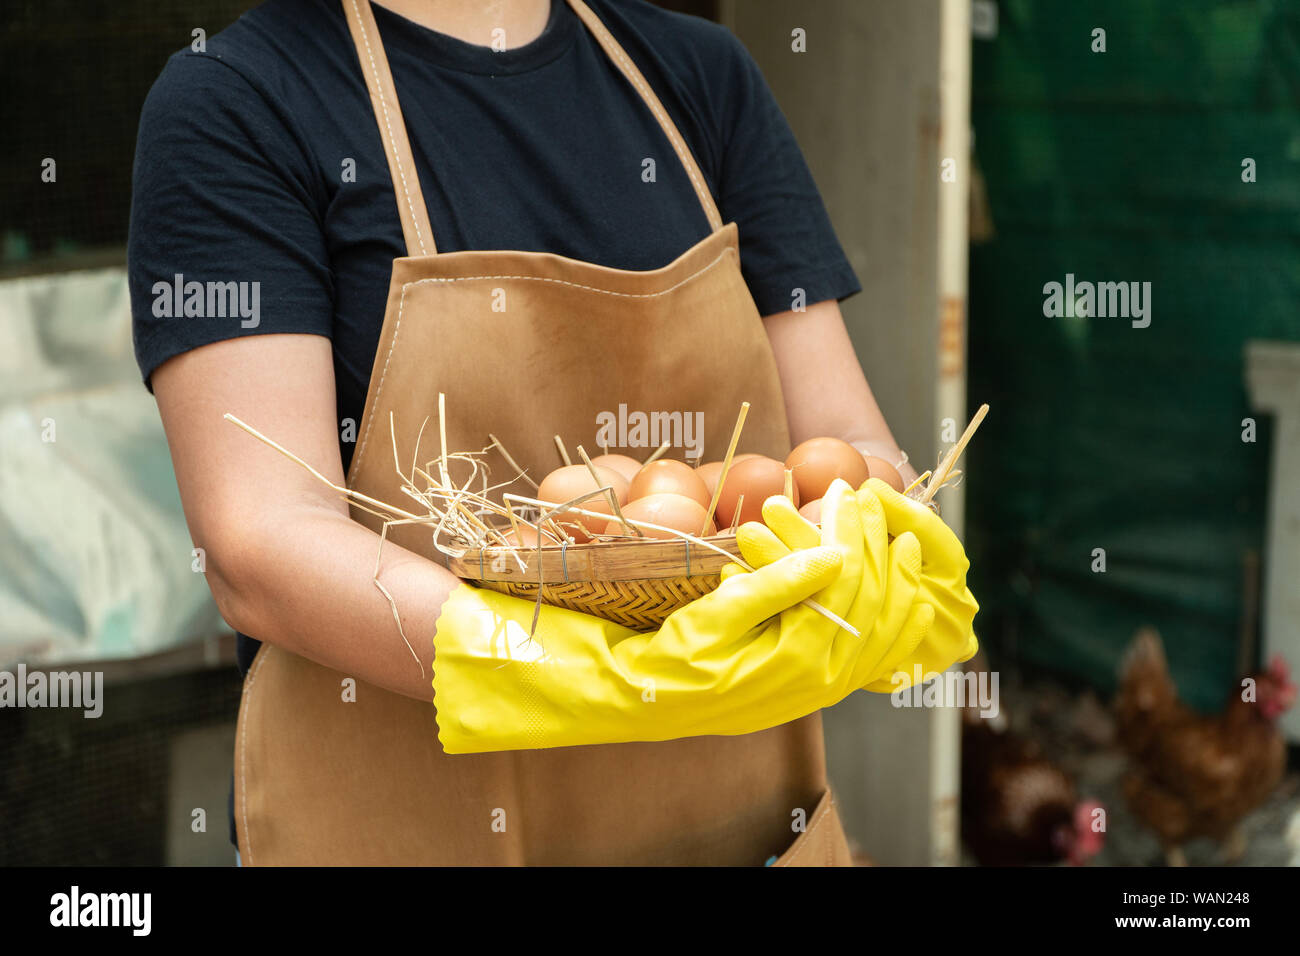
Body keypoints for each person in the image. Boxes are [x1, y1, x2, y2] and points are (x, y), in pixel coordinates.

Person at [129, 0, 977, 865]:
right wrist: (563, 663)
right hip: (406, 830)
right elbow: (261, 540)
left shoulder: (698, 80)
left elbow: (847, 445)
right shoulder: (240, 103)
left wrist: (861, 544)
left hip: (740, 830)